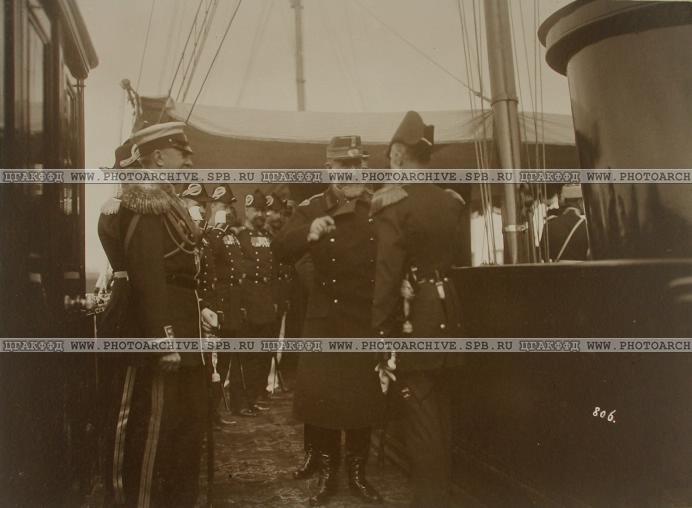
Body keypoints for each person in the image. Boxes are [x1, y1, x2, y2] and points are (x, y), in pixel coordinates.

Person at [98, 122, 218, 507]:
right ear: (158, 158)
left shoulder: (169, 201)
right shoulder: (144, 200)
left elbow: (185, 269)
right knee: (152, 430)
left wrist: (200, 312)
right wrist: (163, 339)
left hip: (184, 325)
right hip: (160, 330)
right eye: (182, 154)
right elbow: (148, 274)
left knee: (184, 427)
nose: (188, 162)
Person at [273, 136, 384, 506]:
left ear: (364, 168)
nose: (351, 172)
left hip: (364, 316)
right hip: (325, 317)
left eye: (356, 165)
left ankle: (358, 474)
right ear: (329, 169)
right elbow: (280, 248)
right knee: (323, 401)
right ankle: (327, 474)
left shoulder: (377, 205)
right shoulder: (312, 208)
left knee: (362, 399)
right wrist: (309, 233)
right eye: (343, 166)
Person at [371, 111, 465, 508]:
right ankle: (440, 495)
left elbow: (387, 274)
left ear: (397, 154)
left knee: (420, 419)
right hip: (448, 314)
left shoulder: (393, 203)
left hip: (414, 320)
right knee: (441, 415)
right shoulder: (450, 201)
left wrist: (380, 334)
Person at [236, 189, 277, 412]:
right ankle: (243, 400)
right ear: (247, 210)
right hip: (248, 297)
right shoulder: (239, 236)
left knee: (263, 351)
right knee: (248, 353)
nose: (260, 214)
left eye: (263, 210)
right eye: (256, 210)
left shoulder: (268, 236)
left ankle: (256, 395)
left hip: (266, 297)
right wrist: (241, 303)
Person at [540, 184, 589, 262]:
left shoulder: (549, 225)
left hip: (557, 269)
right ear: (580, 202)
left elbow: (543, 254)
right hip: (581, 269)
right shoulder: (587, 227)